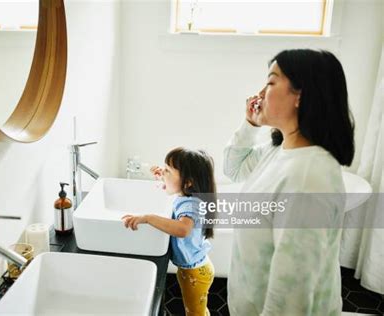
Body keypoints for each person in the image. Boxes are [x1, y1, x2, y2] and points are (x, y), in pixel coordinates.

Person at [224, 49, 355, 315]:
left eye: (271, 82)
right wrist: (250, 123)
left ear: (300, 95)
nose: (261, 92)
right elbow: (233, 168)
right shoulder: (278, 150)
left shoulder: (309, 176)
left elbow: (292, 294)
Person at [122, 147, 216, 316]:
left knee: (195, 313)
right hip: (194, 269)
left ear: (188, 182)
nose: (163, 172)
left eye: (168, 171)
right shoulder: (186, 194)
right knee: (197, 310)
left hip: (195, 273)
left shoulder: (191, 204)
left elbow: (183, 229)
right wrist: (164, 177)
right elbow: (171, 190)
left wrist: (148, 218)